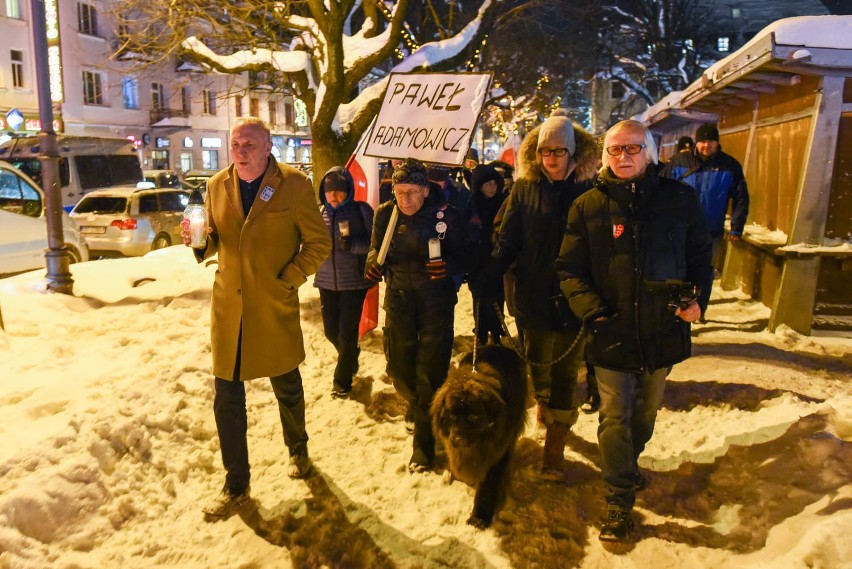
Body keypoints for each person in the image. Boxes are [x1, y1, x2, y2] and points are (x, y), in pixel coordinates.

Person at [556, 119, 713, 542]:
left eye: (632, 149)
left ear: (650, 152)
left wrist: (699, 301)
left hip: (663, 329)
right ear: (605, 156)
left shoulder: (680, 201)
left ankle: (627, 464)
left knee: (643, 415)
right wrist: (592, 312)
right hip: (611, 331)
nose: (623, 157)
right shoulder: (587, 206)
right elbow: (569, 270)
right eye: (615, 150)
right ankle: (618, 501)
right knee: (614, 417)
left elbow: (701, 257)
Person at [182, 117, 332, 519]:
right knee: (227, 399)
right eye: (235, 144)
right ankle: (236, 483)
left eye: (249, 144)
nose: (241, 151)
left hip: (273, 304)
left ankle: (298, 451)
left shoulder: (294, 184)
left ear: (268, 147)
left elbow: (319, 242)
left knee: (287, 385)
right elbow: (215, 240)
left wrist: (291, 279)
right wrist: (198, 241)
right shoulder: (216, 186)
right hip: (229, 309)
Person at [475, 109, 598, 479]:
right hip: (533, 296)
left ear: (573, 153)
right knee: (538, 365)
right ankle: (545, 406)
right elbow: (508, 238)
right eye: (546, 152)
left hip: (575, 298)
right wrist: (490, 275)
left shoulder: (590, 190)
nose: (552, 159)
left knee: (565, 372)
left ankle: (555, 449)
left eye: (560, 152)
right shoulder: (525, 190)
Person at [365, 158, 471, 473]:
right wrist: (372, 265)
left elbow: (466, 255)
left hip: (435, 302)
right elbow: (375, 249)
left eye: (412, 192)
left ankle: (424, 446)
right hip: (398, 300)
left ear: (425, 190)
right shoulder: (386, 214)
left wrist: (448, 267)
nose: (405, 199)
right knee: (398, 367)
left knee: (430, 371)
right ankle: (420, 406)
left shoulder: (447, 216)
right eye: (399, 192)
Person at [315, 166, 374, 399]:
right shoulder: (320, 212)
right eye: (329, 191)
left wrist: (353, 245)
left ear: (348, 190)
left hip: (354, 282)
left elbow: (374, 244)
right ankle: (349, 356)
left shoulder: (362, 211)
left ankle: (342, 381)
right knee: (331, 332)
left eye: (339, 191)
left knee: (347, 332)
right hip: (326, 281)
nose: (333, 196)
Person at [663, 123, 749, 270]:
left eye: (711, 141)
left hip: (712, 231)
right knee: (678, 270)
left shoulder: (730, 166)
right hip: (681, 229)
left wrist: (737, 227)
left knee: (704, 272)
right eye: (703, 141)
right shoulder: (678, 162)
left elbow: (741, 197)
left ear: (718, 142)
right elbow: (662, 191)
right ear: (696, 142)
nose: (706, 145)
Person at [469, 163, 506, 345]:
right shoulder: (472, 205)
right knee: (480, 298)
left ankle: (497, 331)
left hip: (498, 259)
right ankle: (481, 331)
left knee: (498, 298)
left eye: (494, 183)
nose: (492, 188)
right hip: (477, 260)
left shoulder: (503, 203)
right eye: (487, 184)